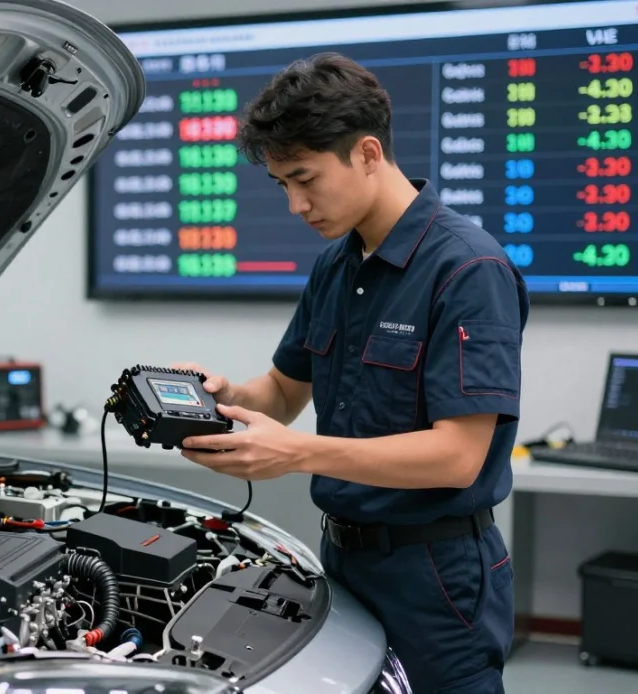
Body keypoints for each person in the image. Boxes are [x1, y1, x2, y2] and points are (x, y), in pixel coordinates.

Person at [174, 52, 529, 693]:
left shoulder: (469, 269)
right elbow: (282, 392)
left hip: (436, 576)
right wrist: (224, 398)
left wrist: (295, 454)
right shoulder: (337, 265)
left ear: (367, 153)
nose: (295, 205)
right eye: (283, 185)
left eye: (305, 179)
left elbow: (458, 457)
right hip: (342, 561)